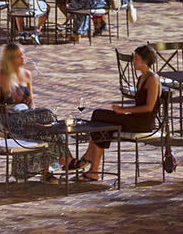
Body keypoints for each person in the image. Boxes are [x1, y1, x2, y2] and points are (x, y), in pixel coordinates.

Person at [60, 45, 162, 182]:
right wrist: (122, 110)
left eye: (136, 58)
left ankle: (90, 162)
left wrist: (124, 110)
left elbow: (149, 107)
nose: (133, 61)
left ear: (145, 61)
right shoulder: (141, 78)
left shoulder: (153, 79)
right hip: (134, 118)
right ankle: (93, 168)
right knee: (101, 118)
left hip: (143, 124)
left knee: (99, 116)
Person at [0, 42, 67, 181]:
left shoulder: (27, 74)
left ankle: (46, 172)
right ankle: (64, 160)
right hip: (9, 119)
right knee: (48, 113)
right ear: (11, 59)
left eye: (23, 54)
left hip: (26, 116)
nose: (23, 58)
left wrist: (34, 118)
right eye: (19, 56)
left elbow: (31, 101)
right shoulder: (2, 78)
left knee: (47, 132)